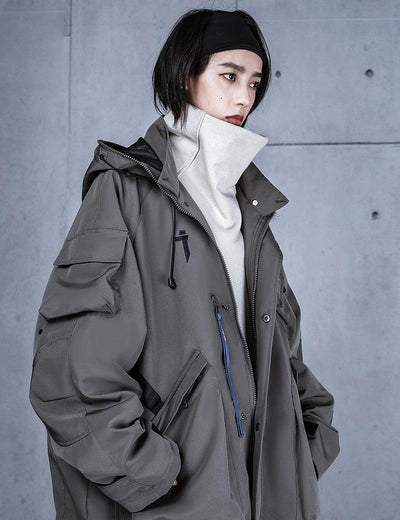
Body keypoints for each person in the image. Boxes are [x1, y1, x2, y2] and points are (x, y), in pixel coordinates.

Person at [29, 8, 339, 520]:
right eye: (229, 76)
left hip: (263, 496)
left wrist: (305, 446)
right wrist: (146, 469)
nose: (245, 98)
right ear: (183, 75)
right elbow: (69, 369)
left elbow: (282, 354)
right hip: (174, 498)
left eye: (255, 82)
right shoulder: (126, 193)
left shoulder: (250, 207)